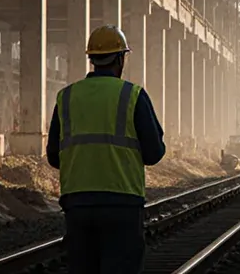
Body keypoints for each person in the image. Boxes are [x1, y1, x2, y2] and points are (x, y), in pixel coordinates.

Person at [46, 24, 167, 274]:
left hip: (77, 203)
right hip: (122, 203)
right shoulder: (133, 95)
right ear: (120, 59)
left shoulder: (66, 97)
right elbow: (154, 154)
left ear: (92, 59)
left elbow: (54, 157)